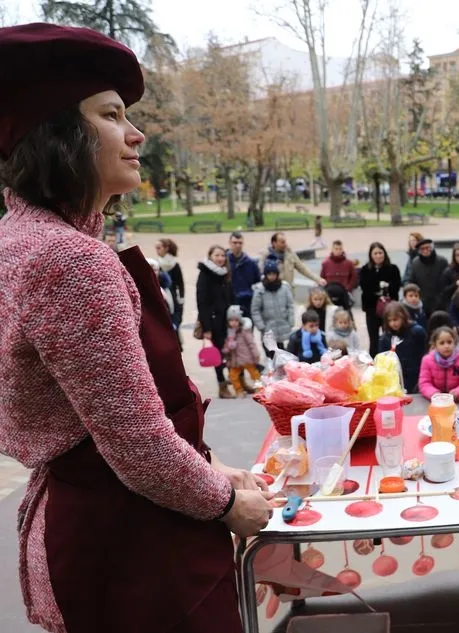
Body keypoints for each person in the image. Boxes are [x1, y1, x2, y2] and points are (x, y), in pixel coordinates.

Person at [0, 24, 270, 633]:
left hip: (96, 528)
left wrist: (207, 468)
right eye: (111, 114)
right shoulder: (68, 260)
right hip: (132, 550)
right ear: (59, 133)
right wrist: (228, 503)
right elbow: (137, 444)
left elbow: (83, 420)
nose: (136, 133)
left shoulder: (16, 240)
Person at [197, 245, 235, 399]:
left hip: (226, 320)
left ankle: (233, 379)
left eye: (222, 256)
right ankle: (222, 385)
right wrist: (206, 327)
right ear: (210, 256)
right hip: (213, 322)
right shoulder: (205, 274)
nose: (220, 258)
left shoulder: (225, 273)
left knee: (230, 350)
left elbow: (230, 296)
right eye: (217, 255)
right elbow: (202, 302)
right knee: (218, 354)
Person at [358, 241, 400, 357]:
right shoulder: (365, 270)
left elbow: (396, 286)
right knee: (374, 339)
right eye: (375, 253)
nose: (378, 256)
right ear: (371, 255)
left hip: (389, 309)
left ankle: (392, 359)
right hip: (371, 308)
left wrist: (386, 287)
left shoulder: (393, 269)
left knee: (390, 336)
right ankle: (374, 361)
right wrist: (380, 287)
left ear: (384, 253)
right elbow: (365, 287)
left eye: (380, 253)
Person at [379, 302, 427, 393]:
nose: (393, 323)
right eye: (389, 321)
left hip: (415, 375)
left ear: (403, 317)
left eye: (395, 319)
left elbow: (424, 353)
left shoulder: (416, 332)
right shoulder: (385, 338)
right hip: (395, 378)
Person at [251, 261, 295, 358]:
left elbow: (290, 305)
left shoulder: (284, 287)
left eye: (274, 274)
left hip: (283, 325)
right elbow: (255, 310)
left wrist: (291, 320)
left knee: (283, 353)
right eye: (269, 274)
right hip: (268, 327)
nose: (272, 276)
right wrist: (261, 326)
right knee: (270, 353)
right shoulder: (260, 290)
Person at [418, 326, 459, 402]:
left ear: (455, 343)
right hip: (434, 401)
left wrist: (458, 393)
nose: (446, 346)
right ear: (435, 345)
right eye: (442, 343)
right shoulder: (427, 360)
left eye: (449, 342)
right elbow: (424, 383)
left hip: (457, 401)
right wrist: (434, 394)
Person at [260, 231, 325, 291]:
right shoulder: (266, 256)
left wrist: (318, 279)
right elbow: (261, 273)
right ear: (274, 243)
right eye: (282, 242)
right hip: (271, 291)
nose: (285, 244)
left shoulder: (290, 254)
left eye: (285, 241)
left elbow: (302, 268)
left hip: (288, 291)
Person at [223, 305, 261, 397]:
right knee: (233, 376)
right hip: (235, 360)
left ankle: (259, 389)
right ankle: (239, 390)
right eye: (231, 320)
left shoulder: (244, 331)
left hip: (247, 358)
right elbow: (226, 345)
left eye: (236, 320)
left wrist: (255, 353)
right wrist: (226, 349)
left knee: (255, 374)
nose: (234, 323)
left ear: (240, 321)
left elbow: (251, 343)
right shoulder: (229, 333)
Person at [405, 239, 448, 314]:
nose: (425, 251)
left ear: (432, 248)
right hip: (422, 302)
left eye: (427, 248)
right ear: (419, 251)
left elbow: (446, 281)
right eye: (422, 249)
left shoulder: (442, 261)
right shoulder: (415, 263)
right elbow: (411, 281)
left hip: (440, 302)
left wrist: (441, 298)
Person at [155, 238, 184, 346]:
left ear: (166, 248)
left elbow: (180, 284)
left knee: (175, 318)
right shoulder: (156, 264)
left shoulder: (175, 264)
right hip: (161, 294)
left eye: (159, 248)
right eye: (156, 248)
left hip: (173, 296)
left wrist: (181, 298)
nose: (157, 251)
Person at [227, 231, 261, 320]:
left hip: (247, 302)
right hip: (229, 302)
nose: (237, 245)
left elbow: (258, 282)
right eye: (235, 243)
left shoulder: (251, 263)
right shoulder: (224, 263)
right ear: (230, 243)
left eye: (240, 243)